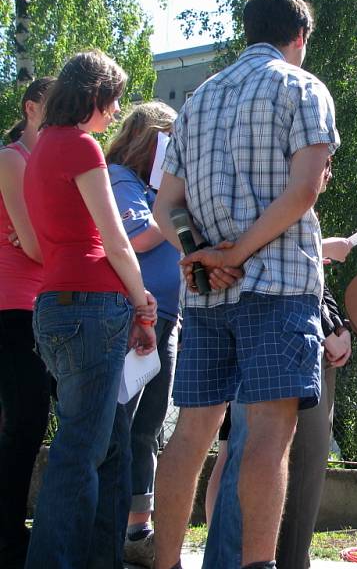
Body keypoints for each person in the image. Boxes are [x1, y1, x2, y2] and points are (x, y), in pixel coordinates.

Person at [152, 0, 338, 569]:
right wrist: (239, 252)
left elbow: (165, 209)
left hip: (208, 295)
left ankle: (164, 563)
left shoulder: (199, 100)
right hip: (278, 287)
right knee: (267, 434)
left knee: (190, 435)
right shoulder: (303, 87)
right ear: (298, 36)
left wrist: (205, 252)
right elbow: (304, 189)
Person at [22, 50, 157, 569]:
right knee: (82, 454)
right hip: (94, 308)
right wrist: (144, 305)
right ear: (94, 95)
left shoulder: (38, 152)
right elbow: (116, 239)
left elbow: (39, 243)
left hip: (53, 307)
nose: (117, 110)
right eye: (114, 98)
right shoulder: (81, 146)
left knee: (93, 448)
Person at [203, 157, 352, 569]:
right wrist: (325, 248)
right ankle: (228, 557)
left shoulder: (308, 212)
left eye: (328, 167)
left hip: (301, 345)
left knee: (272, 458)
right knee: (237, 451)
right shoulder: (272, 200)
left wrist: (338, 328)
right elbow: (258, 259)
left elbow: (317, 292)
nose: (326, 174)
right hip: (257, 337)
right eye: (321, 164)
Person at [105, 101, 182, 568]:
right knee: (119, 425)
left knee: (148, 426)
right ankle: (109, 528)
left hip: (167, 318)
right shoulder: (120, 179)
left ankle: (138, 529)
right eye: (170, 139)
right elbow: (136, 237)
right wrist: (172, 202)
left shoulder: (154, 189)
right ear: (148, 139)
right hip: (131, 316)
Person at [0, 76, 54, 569]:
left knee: (33, 423)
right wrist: (47, 236)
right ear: (31, 107)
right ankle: (9, 541)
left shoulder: (47, 162)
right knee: (25, 423)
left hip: (45, 303)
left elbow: (41, 239)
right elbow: (37, 245)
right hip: (13, 306)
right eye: (54, 106)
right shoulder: (12, 158)